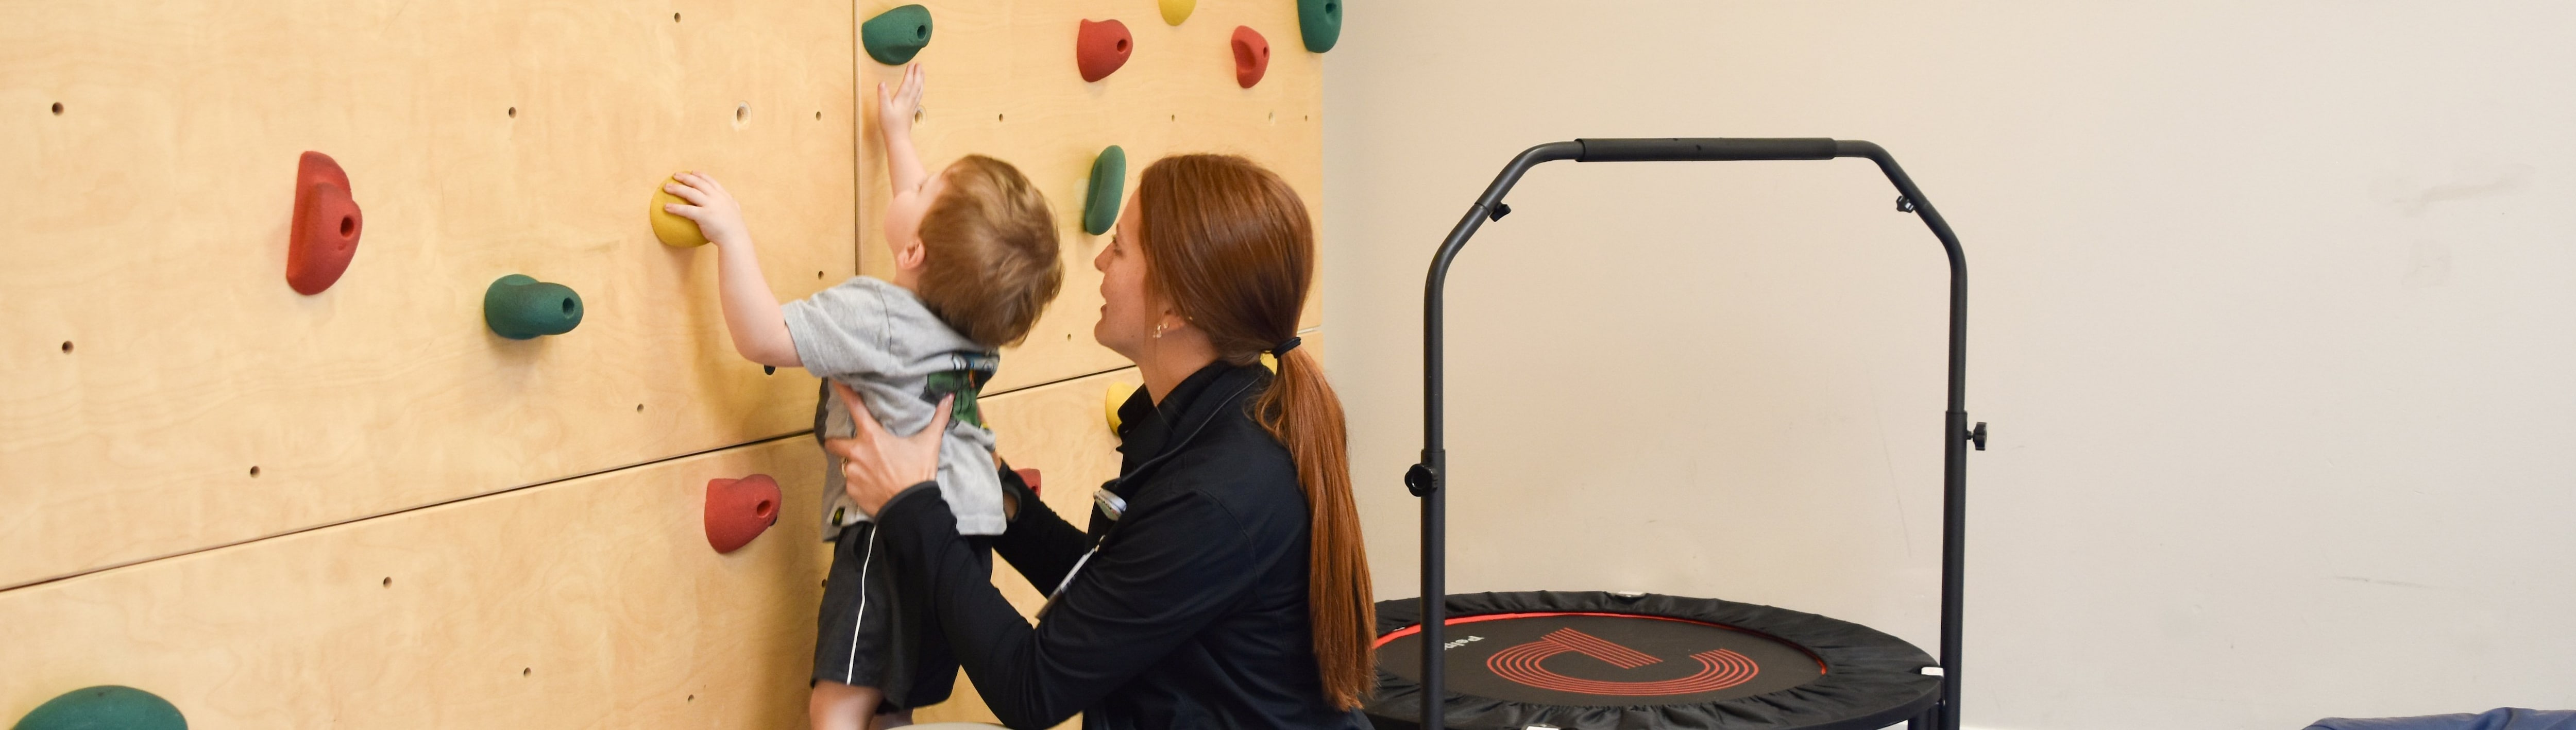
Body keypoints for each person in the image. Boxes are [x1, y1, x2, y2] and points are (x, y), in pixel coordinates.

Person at [823, 153, 1376, 729]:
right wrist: (996, 494)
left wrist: (914, 506)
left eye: (1119, 247)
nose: (1099, 262)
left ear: (1176, 307)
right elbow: (1117, 594)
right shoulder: (1223, 420)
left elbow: (1030, 689)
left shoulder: (1217, 493)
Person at [658, 62, 1064, 730]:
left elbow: (763, 337)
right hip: (967, 543)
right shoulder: (973, 326)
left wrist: (732, 234)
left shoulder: (876, 317)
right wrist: (897, 136)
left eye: (927, 184)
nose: (917, 178)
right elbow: (926, 229)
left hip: (892, 530)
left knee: (837, 705)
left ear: (911, 251)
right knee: (891, 700)